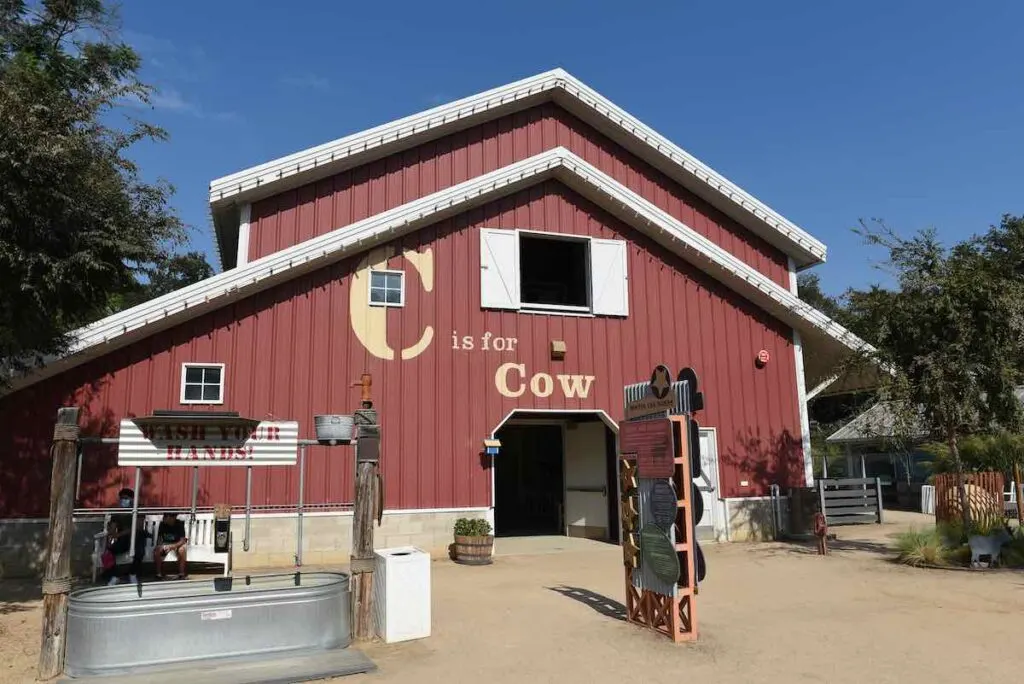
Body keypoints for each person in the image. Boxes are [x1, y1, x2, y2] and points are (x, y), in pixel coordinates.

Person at [101, 488, 147, 586]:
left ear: (132, 499)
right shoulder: (118, 512)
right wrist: (111, 535)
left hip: (136, 538)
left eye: (126, 498)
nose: (123, 501)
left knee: (139, 550)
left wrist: (118, 534)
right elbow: (113, 527)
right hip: (124, 540)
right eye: (122, 498)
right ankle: (116, 576)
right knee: (110, 551)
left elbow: (137, 527)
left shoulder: (139, 510)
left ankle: (132, 574)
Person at [154, 512, 189, 579]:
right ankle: (158, 574)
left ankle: (181, 574)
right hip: (165, 544)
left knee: (182, 550)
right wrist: (160, 547)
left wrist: (173, 546)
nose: (163, 518)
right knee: (157, 551)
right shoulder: (162, 524)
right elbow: (159, 539)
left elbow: (183, 540)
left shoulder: (179, 524)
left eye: (166, 517)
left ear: (172, 518)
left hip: (177, 544)